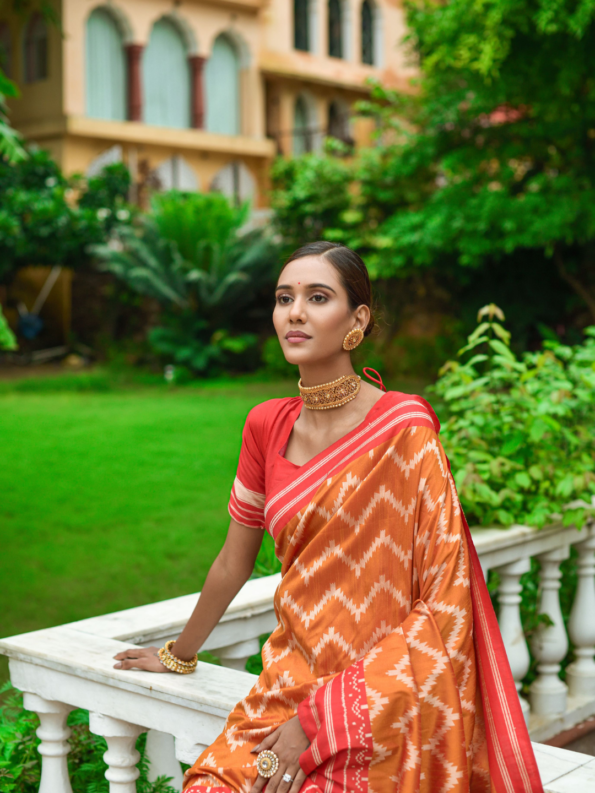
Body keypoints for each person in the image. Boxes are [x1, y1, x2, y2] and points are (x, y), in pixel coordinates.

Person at [113, 242, 543, 793]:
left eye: (318, 297)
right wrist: (178, 655)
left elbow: (445, 601)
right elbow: (232, 559)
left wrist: (322, 718)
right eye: (283, 298)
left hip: (382, 699)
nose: (295, 312)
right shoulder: (265, 425)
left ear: (357, 320)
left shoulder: (405, 431)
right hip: (284, 686)